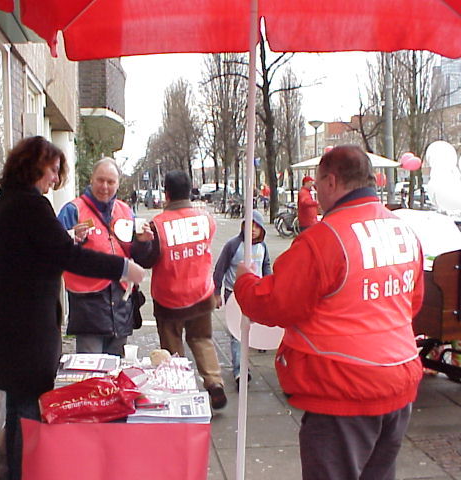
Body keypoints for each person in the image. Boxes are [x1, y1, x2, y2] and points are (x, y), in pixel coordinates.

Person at [233, 145, 424, 480]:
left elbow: (276, 302)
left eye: (317, 184)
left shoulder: (325, 239)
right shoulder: (403, 230)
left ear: (332, 182)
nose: (315, 194)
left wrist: (245, 281)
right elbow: (412, 302)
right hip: (399, 379)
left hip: (343, 389)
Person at [0, 137, 145, 480]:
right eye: (52, 170)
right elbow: (66, 257)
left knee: (16, 405)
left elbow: (30, 252)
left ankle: (16, 470)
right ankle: (26, 472)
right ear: (33, 166)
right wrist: (122, 268)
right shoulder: (31, 206)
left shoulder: (0, 204)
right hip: (24, 326)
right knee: (28, 410)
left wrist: (64, 242)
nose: (55, 179)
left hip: (1, 319)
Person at [132, 170, 227, 409]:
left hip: (169, 299)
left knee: (172, 350)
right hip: (201, 294)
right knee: (202, 339)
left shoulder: (158, 226)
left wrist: (140, 241)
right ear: (190, 190)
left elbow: (147, 260)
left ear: (166, 194)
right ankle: (214, 382)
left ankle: (182, 391)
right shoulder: (207, 219)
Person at [58, 158, 150, 356]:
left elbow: (138, 255)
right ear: (91, 180)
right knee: (91, 372)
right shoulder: (73, 210)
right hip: (88, 305)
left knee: (116, 373)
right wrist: (71, 237)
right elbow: (54, 253)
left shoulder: (125, 211)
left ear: (118, 184)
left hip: (121, 303)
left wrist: (143, 242)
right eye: (101, 180)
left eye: (111, 182)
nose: (105, 187)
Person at [213, 210, 271, 388]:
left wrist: (270, 286)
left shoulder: (262, 247)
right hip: (235, 295)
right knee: (237, 333)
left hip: (257, 293)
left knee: (256, 326)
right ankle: (240, 371)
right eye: (249, 225)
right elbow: (220, 268)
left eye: (256, 226)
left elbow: (266, 266)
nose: (252, 229)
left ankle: (259, 344)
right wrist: (216, 292)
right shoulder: (233, 245)